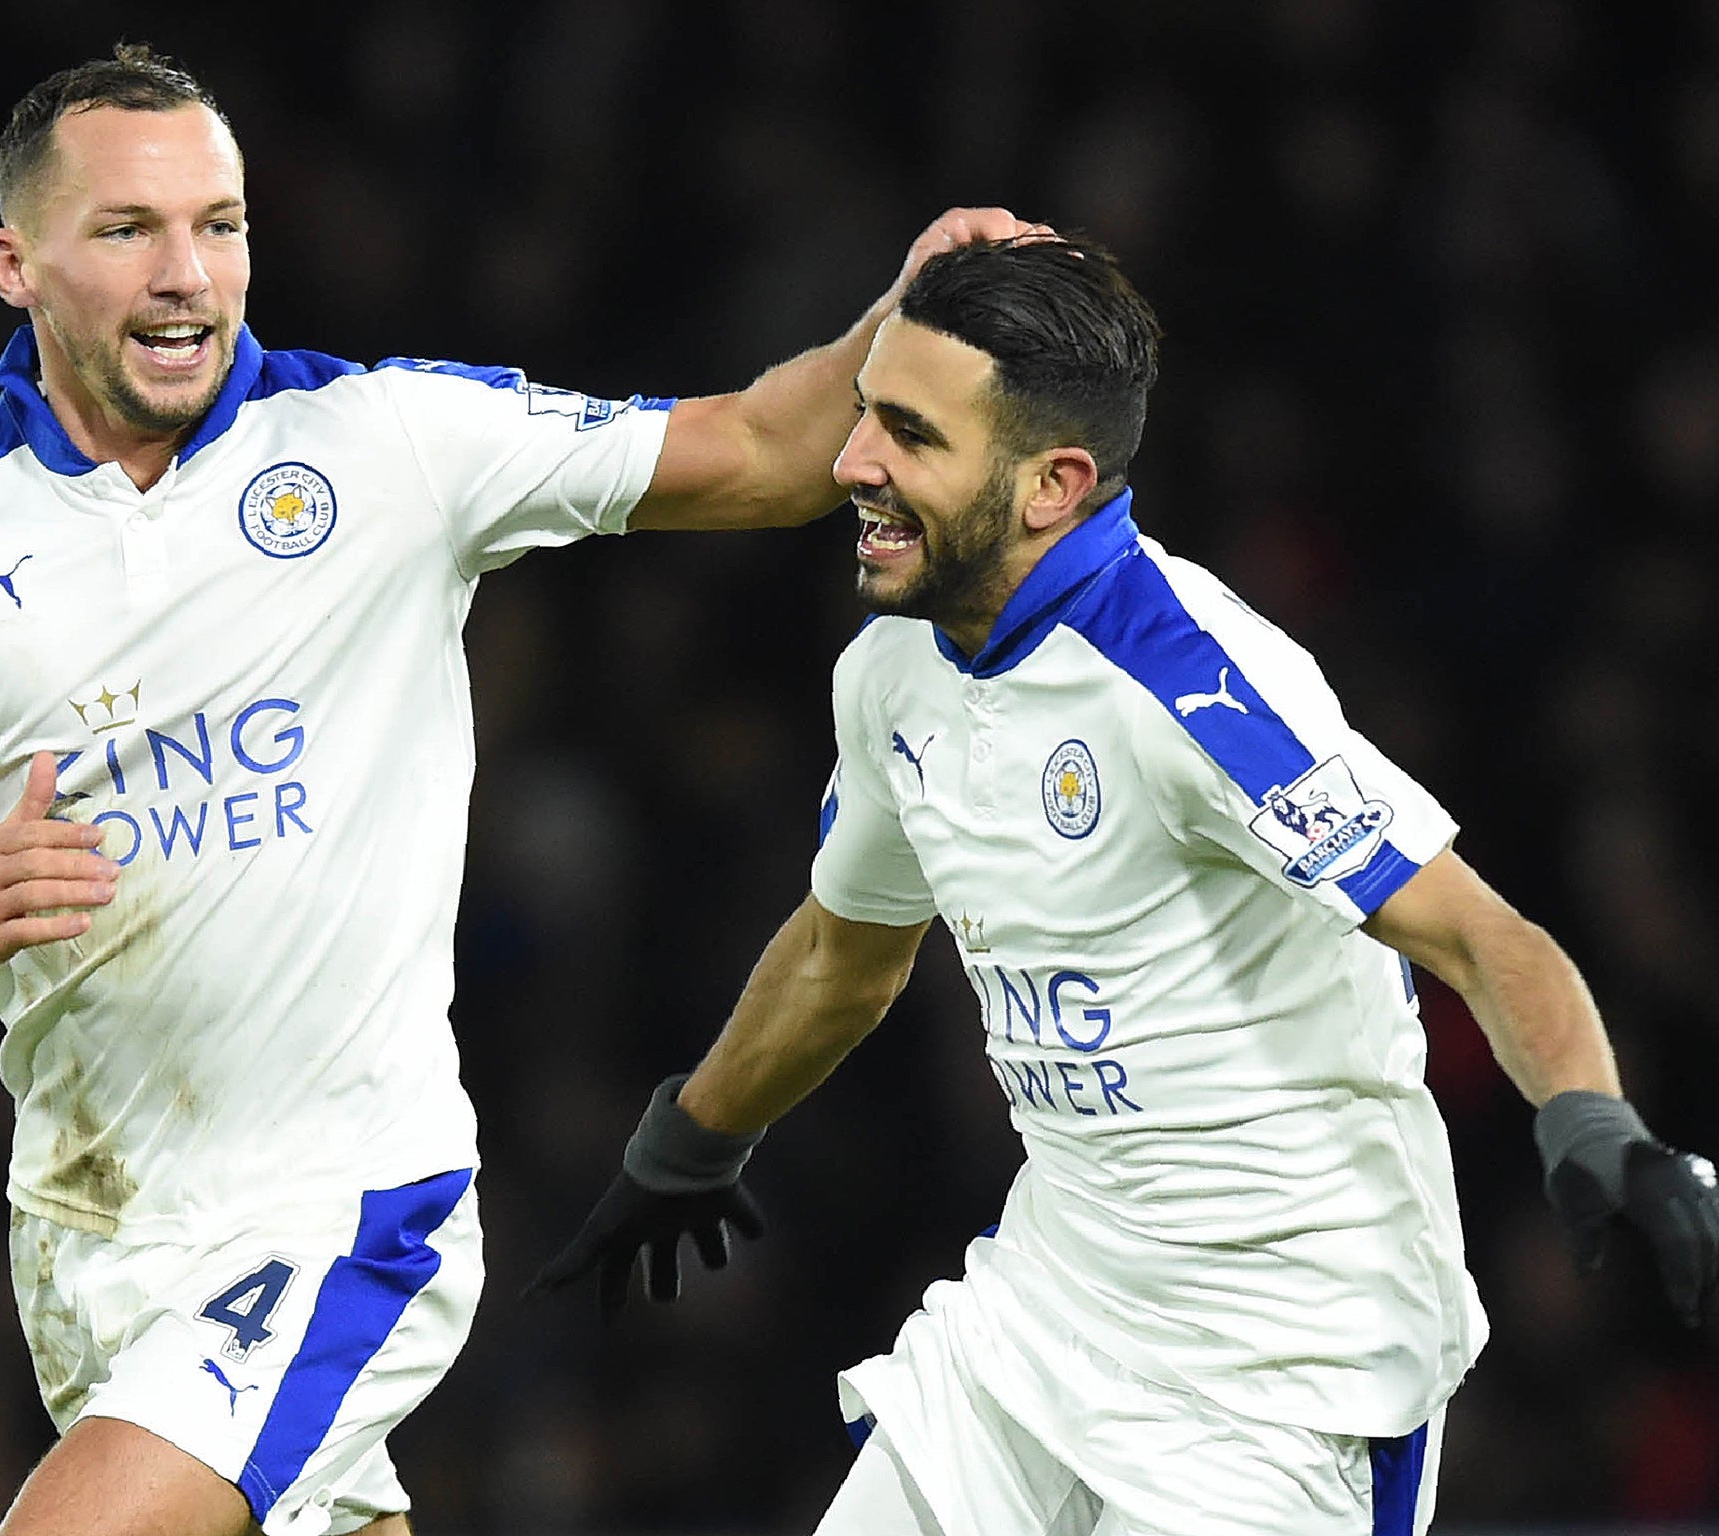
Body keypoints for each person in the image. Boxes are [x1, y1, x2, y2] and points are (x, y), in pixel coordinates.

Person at [0, 41, 1034, 1536]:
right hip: (89, 1232)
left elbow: (763, 449)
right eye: (128, 231)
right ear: (17, 263)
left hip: (344, 1210)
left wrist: (899, 326)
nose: (188, 272)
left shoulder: (389, 445)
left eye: (219, 225)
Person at [530, 235, 1719, 1535]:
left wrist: (1596, 1120)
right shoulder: (890, 676)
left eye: (910, 436)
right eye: (866, 411)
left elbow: (1481, 933)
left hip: (1284, 1378)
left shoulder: (1194, 683)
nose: (851, 463)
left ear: (1055, 485)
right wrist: (692, 1137)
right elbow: (840, 956)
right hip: (1049, 1312)